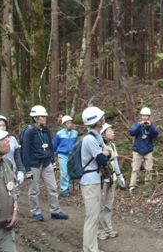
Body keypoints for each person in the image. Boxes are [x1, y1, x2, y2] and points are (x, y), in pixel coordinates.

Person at [21, 105, 68, 221]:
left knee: (53, 187)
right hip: (33, 165)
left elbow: (51, 146)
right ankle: (36, 212)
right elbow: (25, 150)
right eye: (43, 116)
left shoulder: (46, 130)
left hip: (47, 163)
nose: (45, 118)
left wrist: (53, 161)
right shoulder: (29, 131)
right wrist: (27, 169)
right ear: (36, 118)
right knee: (34, 190)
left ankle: (55, 211)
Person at [80, 106, 111, 252]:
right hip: (90, 181)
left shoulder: (96, 136)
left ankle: (92, 248)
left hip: (94, 180)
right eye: (101, 117)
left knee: (94, 215)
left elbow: (107, 154)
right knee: (92, 217)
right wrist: (105, 152)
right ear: (97, 121)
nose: (103, 118)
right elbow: (102, 159)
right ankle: (90, 249)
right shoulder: (90, 139)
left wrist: (105, 152)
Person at [98, 123, 126, 240]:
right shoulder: (99, 146)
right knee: (100, 205)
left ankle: (108, 228)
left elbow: (115, 163)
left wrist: (120, 176)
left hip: (112, 179)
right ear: (104, 134)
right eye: (110, 131)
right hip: (102, 180)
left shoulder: (113, 146)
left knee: (109, 206)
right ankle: (99, 230)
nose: (113, 132)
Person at [0, 126, 19, 252]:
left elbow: (14, 190)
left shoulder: (7, 163)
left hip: (7, 229)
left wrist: (15, 210)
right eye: (3, 139)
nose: (8, 141)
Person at [128, 107, 159, 193]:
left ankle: (147, 186)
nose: (145, 117)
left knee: (149, 169)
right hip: (137, 150)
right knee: (135, 169)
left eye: (146, 116)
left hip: (148, 150)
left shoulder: (151, 126)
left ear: (149, 116)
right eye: (143, 115)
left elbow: (155, 134)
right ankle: (132, 186)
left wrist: (150, 126)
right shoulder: (136, 125)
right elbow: (132, 132)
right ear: (141, 116)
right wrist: (139, 125)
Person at [52, 115, 78, 197]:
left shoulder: (75, 133)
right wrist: (53, 154)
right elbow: (54, 145)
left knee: (70, 172)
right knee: (64, 173)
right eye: (68, 123)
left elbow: (76, 144)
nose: (70, 124)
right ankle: (63, 190)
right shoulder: (59, 133)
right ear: (64, 124)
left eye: (71, 123)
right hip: (62, 155)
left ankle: (69, 188)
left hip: (71, 155)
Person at [0, 115, 25, 185]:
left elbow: (17, 158)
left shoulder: (12, 139)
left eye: (4, 125)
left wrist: (21, 171)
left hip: (12, 172)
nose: (2, 127)